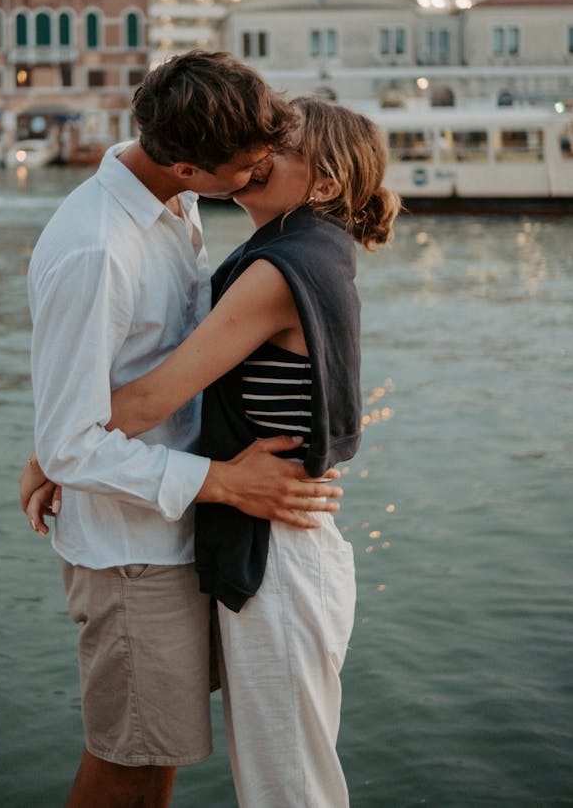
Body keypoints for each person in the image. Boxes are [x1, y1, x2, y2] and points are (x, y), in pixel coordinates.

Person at [19, 52, 344, 808]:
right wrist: (227, 480)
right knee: (130, 762)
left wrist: (44, 450)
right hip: (131, 546)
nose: (263, 168)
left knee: (158, 755)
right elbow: (74, 439)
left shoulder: (174, 202)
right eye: (250, 163)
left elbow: (106, 399)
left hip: (175, 532)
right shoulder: (98, 248)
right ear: (192, 166)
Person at [102, 97, 402, 807]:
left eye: (279, 141)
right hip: (286, 544)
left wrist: (51, 450)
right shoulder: (308, 249)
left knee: (288, 791)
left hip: (281, 556)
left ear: (324, 185)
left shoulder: (276, 273)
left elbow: (155, 397)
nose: (255, 148)